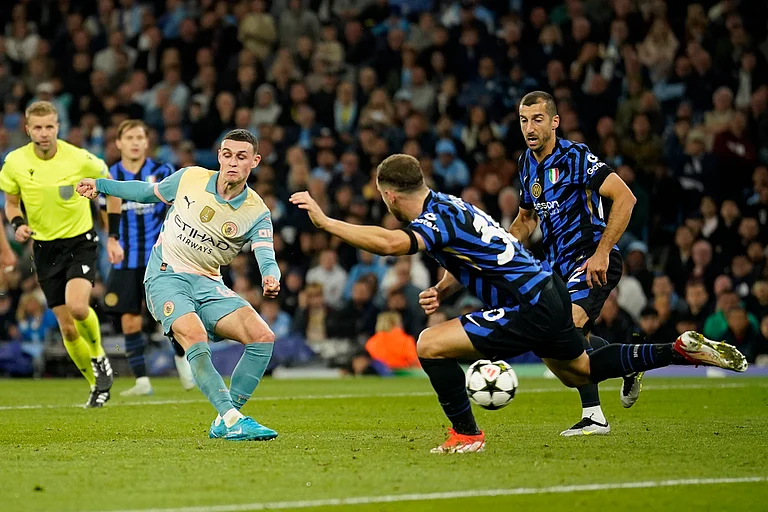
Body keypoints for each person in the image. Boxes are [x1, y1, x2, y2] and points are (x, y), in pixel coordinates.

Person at [289, 153, 748, 453]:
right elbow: (486, 249)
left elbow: (391, 245)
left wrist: (327, 222)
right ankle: (678, 350)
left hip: (527, 304)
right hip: (547, 293)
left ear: (389, 195)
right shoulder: (452, 205)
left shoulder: (432, 218)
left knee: (429, 343)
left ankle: (466, 434)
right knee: (580, 372)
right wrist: (446, 288)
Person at [77, 129, 280, 442]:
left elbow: (265, 253)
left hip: (210, 283)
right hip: (165, 275)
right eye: (227, 154)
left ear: (255, 161)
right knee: (195, 337)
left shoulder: (257, 211)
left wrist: (271, 275)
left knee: (262, 337)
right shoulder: (190, 178)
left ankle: (226, 418)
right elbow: (145, 192)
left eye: (241, 157)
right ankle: (232, 418)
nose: (232, 162)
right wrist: (100, 185)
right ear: (219, 156)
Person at [511, 90, 641, 436]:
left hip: (591, 259)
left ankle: (594, 416)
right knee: (562, 338)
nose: (530, 128)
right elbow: (526, 219)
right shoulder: (526, 164)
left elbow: (625, 198)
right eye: (524, 120)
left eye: (537, 119)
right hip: (556, 267)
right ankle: (626, 362)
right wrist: (503, 249)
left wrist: (601, 252)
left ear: (554, 122)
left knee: (564, 330)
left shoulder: (576, 156)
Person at [0, 101, 123, 408]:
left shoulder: (80, 159)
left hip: (80, 241)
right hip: (43, 248)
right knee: (67, 326)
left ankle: (99, 358)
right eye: (38, 128)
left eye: (50, 127)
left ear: (58, 127)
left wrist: (113, 235)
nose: (44, 133)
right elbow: (12, 203)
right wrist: (17, 224)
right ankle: (97, 386)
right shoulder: (14, 162)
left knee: (79, 307)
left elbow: (112, 188)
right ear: (28, 129)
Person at [103, 119, 194, 396]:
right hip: (126, 257)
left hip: (160, 256)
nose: (134, 142)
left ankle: (183, 363)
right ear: (118, 142)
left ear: (146, 142)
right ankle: (142, 381)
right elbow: (105, 212)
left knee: (169, 314)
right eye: (128, 137)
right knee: (130, 320)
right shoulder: (110, 174)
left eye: (139, 137)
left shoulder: (162, 170)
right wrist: (112, 238)